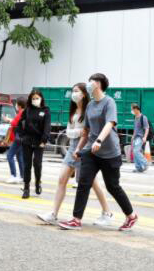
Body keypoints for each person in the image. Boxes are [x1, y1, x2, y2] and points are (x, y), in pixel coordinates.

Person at [58, 73, 138, 231]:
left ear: (99, 84)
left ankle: (131, 216)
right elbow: (86, 131)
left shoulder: (109, 102)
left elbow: (110, 123)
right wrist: (79, 149)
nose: (88, 84)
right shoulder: (90, 105)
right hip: (91, 152)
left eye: (91, 81)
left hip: (110, 152)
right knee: (83, 183)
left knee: (112, 186)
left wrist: (99, 140)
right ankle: (76, 219)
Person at [38, 83, 114, 227]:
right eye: (73, 91)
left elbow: (89, 132)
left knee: (93, 183)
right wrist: (78, 132)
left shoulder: (89, 109)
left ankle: (107, 212)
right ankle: (53, 213)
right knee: (62, 179)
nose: (74, 94)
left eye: (76, 91)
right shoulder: (73, 110)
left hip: (84, 149)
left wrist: (79, 134)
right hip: (72, 147)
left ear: (84, 94)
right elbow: (69, 132)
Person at [19, 89, 50, 199]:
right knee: (27, 165)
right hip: (27, 140)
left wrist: (44, 140)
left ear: (41, 98)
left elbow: (47, 126)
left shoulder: (45, 110)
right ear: (30, 99)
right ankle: (26, 188)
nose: (35, 100)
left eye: (37, 98)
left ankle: (38, 182)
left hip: (39, 141)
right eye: (33, 98)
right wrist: (21, 136)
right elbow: (20, 123)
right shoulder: (27, 110)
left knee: (37, 163)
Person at [5, 97, 26, 184]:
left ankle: (13, 175)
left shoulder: (21, 113)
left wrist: (8, 120)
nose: (16, 105)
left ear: (20, 105)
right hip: (22, 138)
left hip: (18, 138)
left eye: (16, 104)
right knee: (20, 157)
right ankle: (22, 176)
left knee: (9, 155)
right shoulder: (25, 112)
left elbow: (14, 123)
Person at [131, 104, 150, 173]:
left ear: (136, 109)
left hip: (140, 137)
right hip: (135, 137)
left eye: (132, 109)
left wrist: (145, 137)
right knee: (135, 152)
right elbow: (135, 128)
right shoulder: (135, 117)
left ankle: (145, 163)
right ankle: (138, 168)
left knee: (136, 151)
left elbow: (147, 128)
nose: (132, 111)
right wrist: (133, 136)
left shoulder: (143, 117)